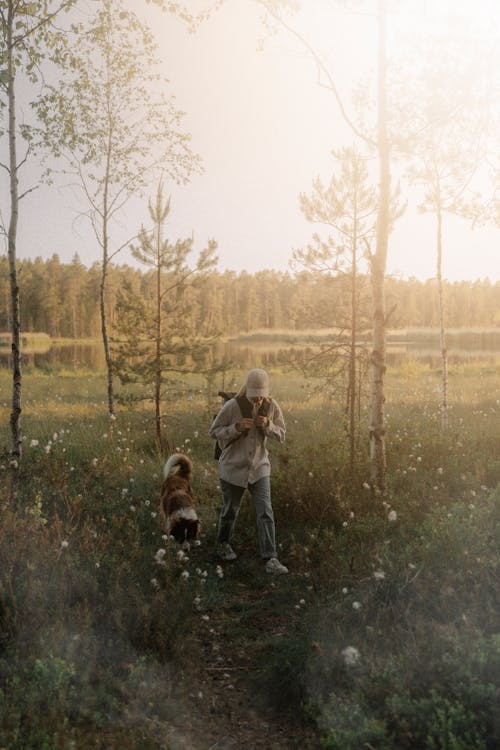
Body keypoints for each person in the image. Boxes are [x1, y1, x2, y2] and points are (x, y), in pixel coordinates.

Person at [209, 368, 288, 575]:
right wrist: (235, 428)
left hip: (260, 468)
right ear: (246, 390)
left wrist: (268, 426)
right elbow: (213, 431)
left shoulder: (272, 406)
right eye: (254, 395)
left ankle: (270, 558)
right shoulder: (232, 406)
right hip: (233, 468)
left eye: (261, 394)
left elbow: (282, 434)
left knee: (265, 512)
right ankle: (222, 545)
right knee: (230, 511)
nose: (258, 399)